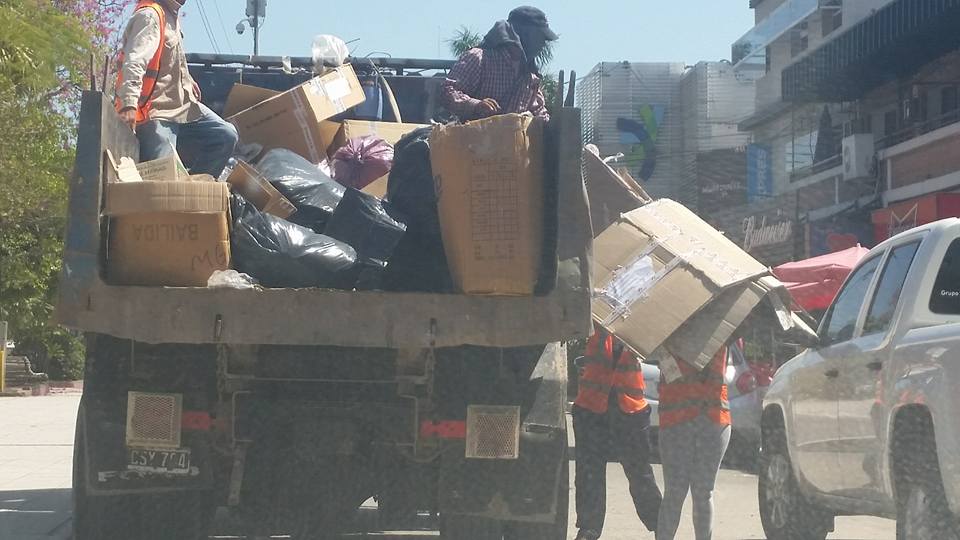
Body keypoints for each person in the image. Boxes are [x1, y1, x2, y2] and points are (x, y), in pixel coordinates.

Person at [114, 0, 238, 177]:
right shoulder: (150, 16)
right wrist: (128, 104)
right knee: (165, 177)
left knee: (226, 136)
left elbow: (170, 57)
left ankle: (193, 189)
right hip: (156, 111)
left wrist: (187, 79)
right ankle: (178, 195)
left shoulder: (170, 13)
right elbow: (135, 62)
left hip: (182, 106)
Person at [572, 324, 662, 540]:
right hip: (592, 406)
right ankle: (589, 529)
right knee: (589, 472)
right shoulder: (594, 312)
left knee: (639, 472)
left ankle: (660, 524)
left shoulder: (640, 318)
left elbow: (652, 345)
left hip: (629, 408)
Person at [655, 346, 732, 540]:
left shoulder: (668, 326)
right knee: (691, 492)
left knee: (689, 492)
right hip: (699, 419)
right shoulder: (722, 326)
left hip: (699, 418)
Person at [440, 6, 557, 122]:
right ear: (525, 34)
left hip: (512, 140)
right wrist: (475, 105)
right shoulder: (480, 58)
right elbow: (448, 91)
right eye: (540, 38)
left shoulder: (531, 77)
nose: (542, 45)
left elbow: (540, 114)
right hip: (472, 139)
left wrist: (553, 123)